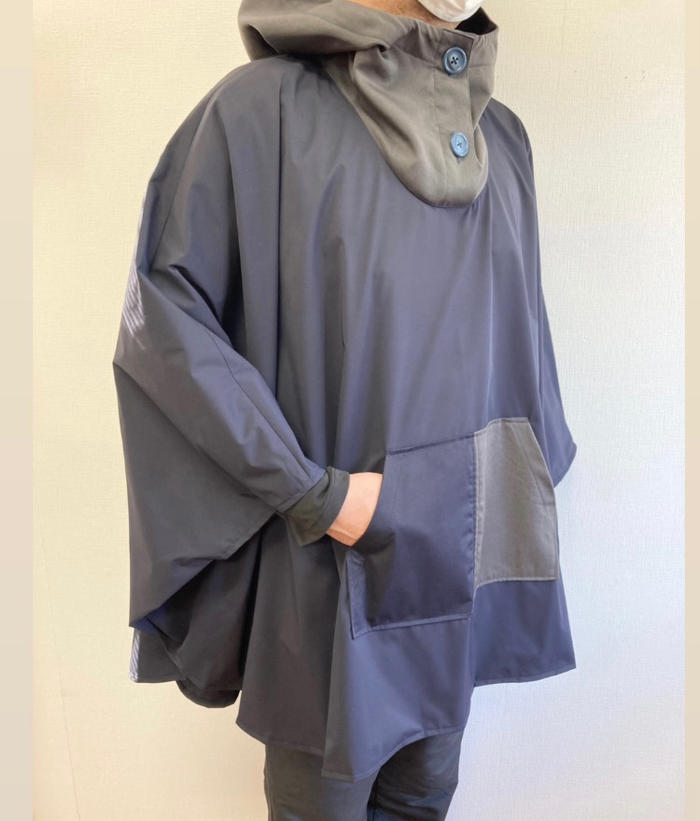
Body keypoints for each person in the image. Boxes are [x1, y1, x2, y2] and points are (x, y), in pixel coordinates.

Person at [113, 1, 578, 818]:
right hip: (331, 567)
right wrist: (313, 493)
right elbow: (167, 326)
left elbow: (521, 331)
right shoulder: (262, 113)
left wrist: (525, 483)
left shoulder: (501, 136)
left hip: (457, 559)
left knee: (426, 794)